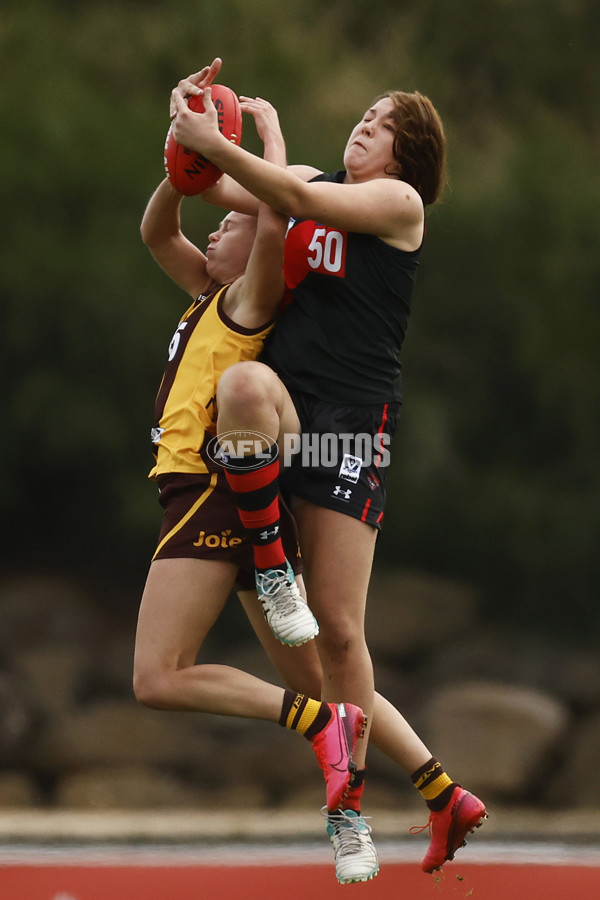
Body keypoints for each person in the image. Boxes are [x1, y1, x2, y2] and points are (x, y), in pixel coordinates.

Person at [168, 59, 487, 882]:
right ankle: (275, 569)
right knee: (243, 385)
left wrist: (242, 145)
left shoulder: (399, 203)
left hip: (350, 426)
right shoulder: (309, 179)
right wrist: (190, 127)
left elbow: (292, 196)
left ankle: (372, 807)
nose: (364, 125)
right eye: (365, 114)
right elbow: (214, 187)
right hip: (283, 411)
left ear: (407, 153)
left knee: (339, 634)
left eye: (382, 123)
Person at [133, 89, 369, 862]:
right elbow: (156, 230)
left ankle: (319, 726)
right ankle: (431, 783)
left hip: (208, 488)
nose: (214, 228)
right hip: (194, 492)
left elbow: (274, 216)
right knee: (328, 668)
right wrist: (183, 159)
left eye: (226, 224)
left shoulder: (248, 302)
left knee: (158, 679)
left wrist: (265, 139)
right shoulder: (205, 293)